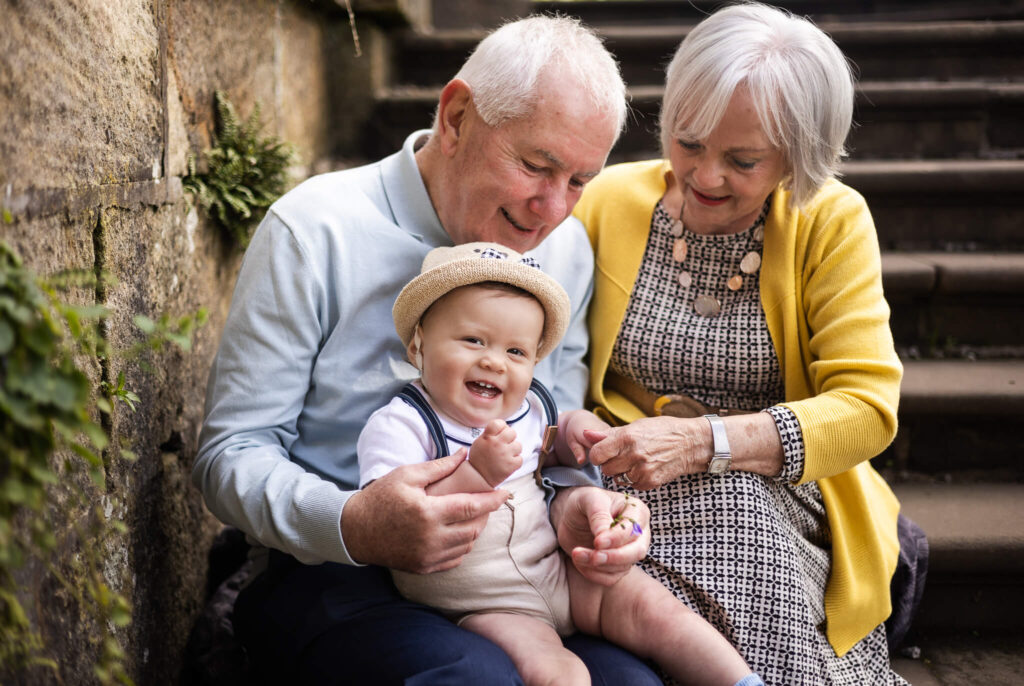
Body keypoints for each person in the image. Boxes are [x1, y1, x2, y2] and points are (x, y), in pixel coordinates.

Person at [193, 14, 666, 685]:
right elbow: (230, 455)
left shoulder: (564, 252)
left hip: (515, 569)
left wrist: (580, 504)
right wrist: (355, 523)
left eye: (580, 181)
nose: (552, 208)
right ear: (455, 118)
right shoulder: (313, 227)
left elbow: (549, 436)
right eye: (537, 165)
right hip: (333, 572)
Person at [572, 4, 908, 685]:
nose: (705, 175)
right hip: (630, 478)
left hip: (781, 491)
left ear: (798, 155)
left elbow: (868, 409)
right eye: (688, 142)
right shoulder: (607, 201)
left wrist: (706, 443)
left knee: (737, 510)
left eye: (742, 159)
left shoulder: (831, 221)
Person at [358, 242, 764, 686]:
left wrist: (578, 430)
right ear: (419, 345)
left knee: (659, 610)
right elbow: (395, 517)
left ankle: (743, 681)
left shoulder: (528, 409)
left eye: (516, 353)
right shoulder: (403, 424)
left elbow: (552, 442)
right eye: (473, 340)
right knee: (560, 672)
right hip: (485, 601)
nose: (493, 361)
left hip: (558, 569)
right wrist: (476, 474)